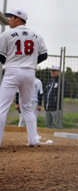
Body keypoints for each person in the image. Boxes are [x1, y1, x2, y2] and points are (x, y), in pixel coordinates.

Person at [0, 8, 47, 147]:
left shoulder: (7, 34)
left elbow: (1, 56)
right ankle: (33, 140)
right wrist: (30, 62)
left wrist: (12, 63)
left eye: (11, 17)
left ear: (19, 19)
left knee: (2, 108)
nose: (9, 19)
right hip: (29, 72)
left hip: (13, 71)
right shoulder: (37, 35)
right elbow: (44, 55)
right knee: (27, 107)